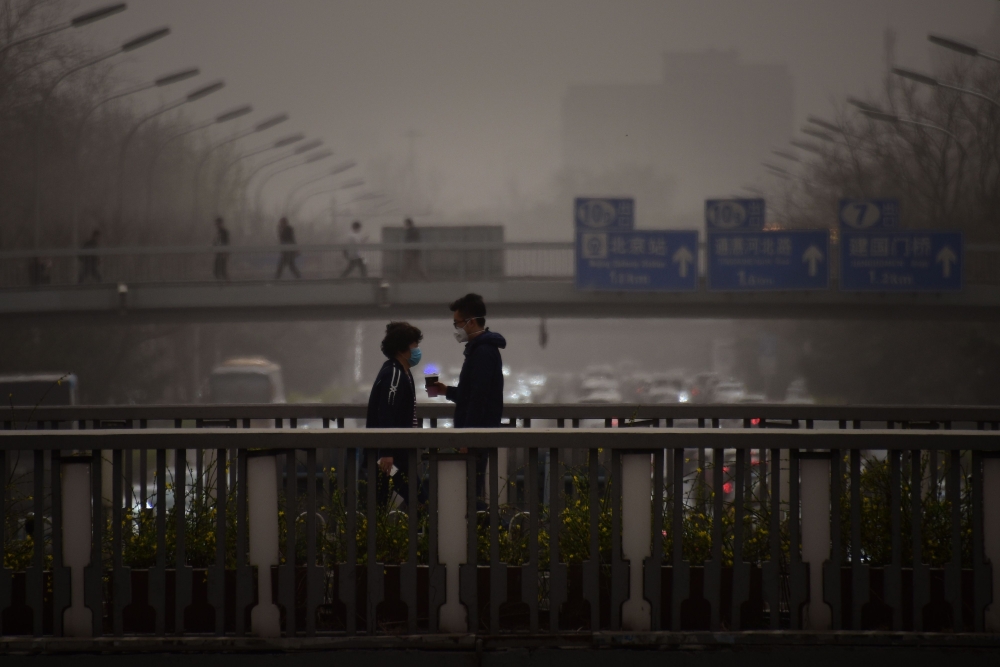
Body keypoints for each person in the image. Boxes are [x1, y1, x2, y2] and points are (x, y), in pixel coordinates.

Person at [427, 293, 506, 496]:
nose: (456, 329)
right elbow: (471, 393)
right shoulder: (478, 349)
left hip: (476, 435)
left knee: (470, 488)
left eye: (457, 323)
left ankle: (475, 524)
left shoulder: (483, 352)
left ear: (470, 322)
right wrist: (447, 391)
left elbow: (478, 398)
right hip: (475, 433)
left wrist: (467, 438)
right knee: (468, 486)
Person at [364, 321, 424, 507]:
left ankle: (386, 532)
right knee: (418, 497)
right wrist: (387, 452)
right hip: (391, 458)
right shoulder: (394, 375)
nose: (417, 350)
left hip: (397, 452)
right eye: (415, 345)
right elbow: (387, 412)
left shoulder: (403, 372)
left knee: (385, 498)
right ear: (401, 348)